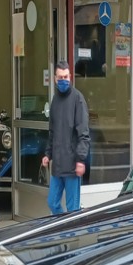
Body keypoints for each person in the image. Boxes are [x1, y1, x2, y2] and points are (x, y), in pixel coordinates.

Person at [42, 61, 90, 214]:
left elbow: (83, 133)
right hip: (57, 165)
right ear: (55, 79)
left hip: (72, 165)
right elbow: (52, 131)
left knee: (73, 210)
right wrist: (47, 154)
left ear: (70, 77)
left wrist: (80, 160)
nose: (63, 80)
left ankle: (72, 236)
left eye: (66, 76)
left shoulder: (78, 99)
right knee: (52, 203)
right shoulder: (55, 101)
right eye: (60, 77)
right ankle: (62, 232)